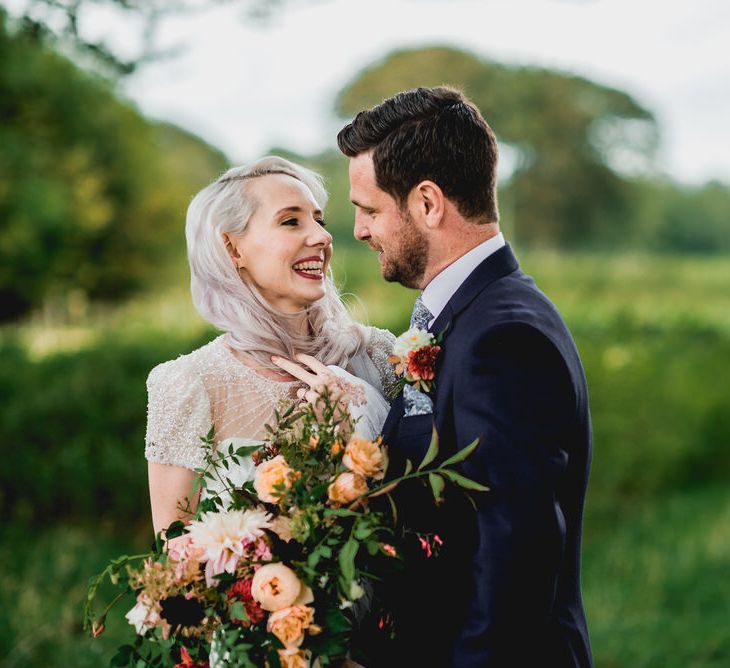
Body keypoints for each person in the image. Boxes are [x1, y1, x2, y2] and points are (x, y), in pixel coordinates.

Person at [336, 87, 593, 667]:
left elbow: (513, 566)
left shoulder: (504, 339)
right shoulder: (469, 316)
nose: (357, 230)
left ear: (428, 203)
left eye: (370, 208)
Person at [144, 156, 395, 537]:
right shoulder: (188, 385)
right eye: (291, 221)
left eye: (319, 219)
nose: (322, 237)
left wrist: (358, 424)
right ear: (232, 249)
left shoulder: (379, 355)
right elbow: (179, 562)